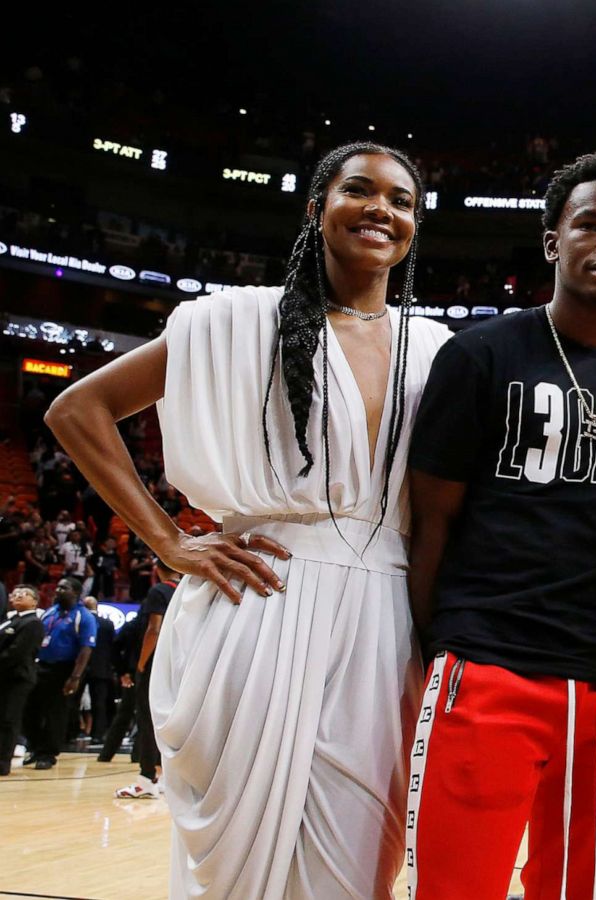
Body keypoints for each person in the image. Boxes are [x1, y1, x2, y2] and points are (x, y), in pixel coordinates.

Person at [45, 141, 451, 898]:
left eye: (401, 201)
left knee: (359, 869)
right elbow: (77, 409)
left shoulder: (439, 349)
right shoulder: (233, 320)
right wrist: (167, 540)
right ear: (316, 208)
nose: (380, 210)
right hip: (260, 599)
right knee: (233, 872)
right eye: (358, 190)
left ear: (414, 228)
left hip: (387, 621)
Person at [405, 152, 596, 900]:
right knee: (457, 890)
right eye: (590, 224)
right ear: (554, 239)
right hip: (488, 661)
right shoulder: (479, 355)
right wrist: (433, 655)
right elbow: (431, 526)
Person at [102, 557, 178, 799]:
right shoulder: (188, 590)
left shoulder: (159, 591)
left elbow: (154, 629)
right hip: (179, 665)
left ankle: (146, 780)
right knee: (170, 723)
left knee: (147, 720)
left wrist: (141, 664)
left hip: (156, 664)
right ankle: (168, 778)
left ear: (157, 570)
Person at [22, 577, 95, 769]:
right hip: (41, 665)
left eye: (64, 588)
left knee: (55, 713)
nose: (58, 590)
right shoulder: (50, 612)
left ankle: (48, 754)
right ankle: (36, 748)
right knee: (29, 710)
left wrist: (75, 677)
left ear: (77, 593)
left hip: (64, 669)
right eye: (58, 587)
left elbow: (86, 649)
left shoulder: (84, 616)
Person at [0, 584, 46, 775]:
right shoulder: (9, 621)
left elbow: (17, 652)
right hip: (5, 677)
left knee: (9, 720)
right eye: (15, 593)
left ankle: (3, 763)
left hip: (18, 677)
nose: (18, 595)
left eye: (24, 594)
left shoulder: (33, 623)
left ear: (35, 601)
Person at [78, 595, 117, 744]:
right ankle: (98, 735)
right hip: (101, 668)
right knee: (99, 703)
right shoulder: (107, 624)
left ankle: (70, 733)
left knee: (73, 702)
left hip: (80, 667)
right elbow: (113, 647)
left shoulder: (81, 621)